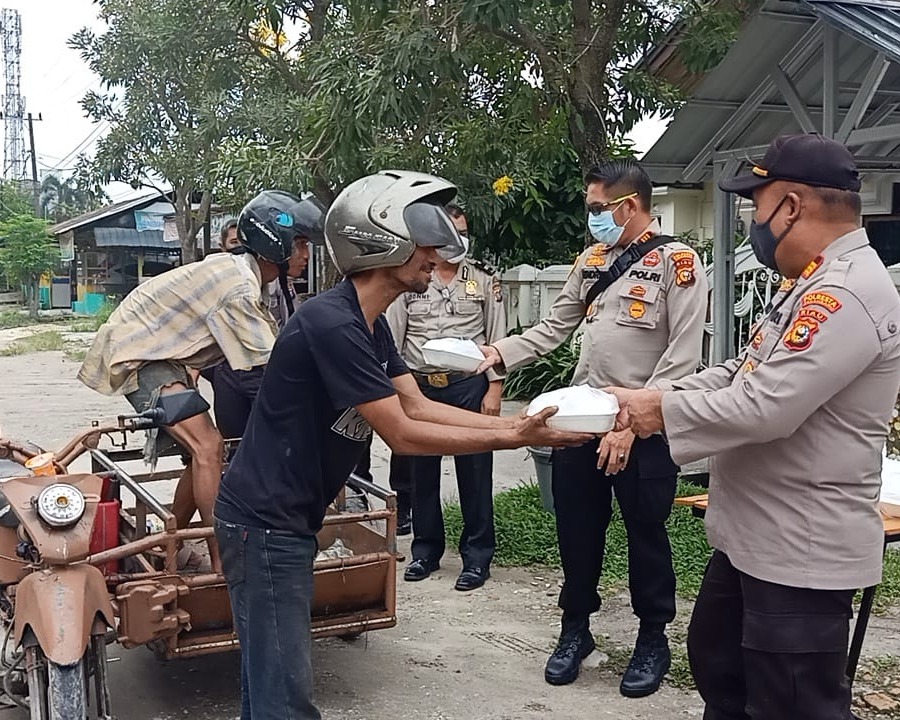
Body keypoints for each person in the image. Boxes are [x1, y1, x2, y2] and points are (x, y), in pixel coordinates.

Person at [213, 170, 590, 720]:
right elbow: (404, 434)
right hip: (265, 525)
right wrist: (512, 438)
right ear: (379, 239)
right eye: (422, 242)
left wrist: (517, 425)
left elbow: (416, 405)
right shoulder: (333, 324)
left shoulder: (365, 323)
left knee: (271, 689)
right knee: (282, 699)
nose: (434, 256)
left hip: (284, 520)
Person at [609, 133, 900, 720]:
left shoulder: (846, 293)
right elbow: (739, 373)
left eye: (756, 207)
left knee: (791, 704)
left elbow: (765, 406)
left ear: (790, 207)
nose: (753, 224)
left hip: (800, 552)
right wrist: (654, 395)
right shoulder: (813, 283)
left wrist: (658, 412)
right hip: (756, 539)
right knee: (720, 669)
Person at [478, 159, 708, 696]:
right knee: (577, 531)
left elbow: (681, 359)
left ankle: (653, 636)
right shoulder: (593, 259)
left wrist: (631, 424)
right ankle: (575, 627)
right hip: (582, 423)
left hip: (644, 429)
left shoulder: (679, 263)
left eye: (598, 208)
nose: (592, 217)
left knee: (645, 533)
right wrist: (496, 353)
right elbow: (553, 327)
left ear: (629, 206)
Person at [77, 189, 325, 572]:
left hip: (162, 354)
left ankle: (169, 541)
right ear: (275, 245)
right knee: (209, 448)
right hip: (143, 356)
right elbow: (271, 364)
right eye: (301, 245)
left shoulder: (249, 275)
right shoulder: (239, 287)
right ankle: (224, 560)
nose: (306, 255)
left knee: (201, 454)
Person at [387, 202, 506, 591]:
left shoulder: (485, 281)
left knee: (475, 472)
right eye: (451, 232)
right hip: (421, 386)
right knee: (422, 473)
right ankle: (426, 551)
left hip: (468, 386)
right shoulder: (412, 280)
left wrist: (494, 387)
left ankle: (477, 557)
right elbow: (394, 339)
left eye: (463, 231)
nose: (459, 239)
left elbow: (497, 338)